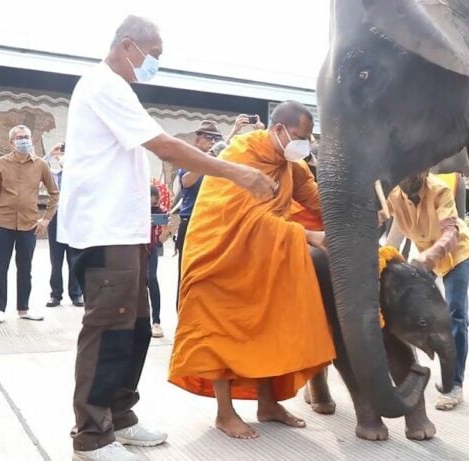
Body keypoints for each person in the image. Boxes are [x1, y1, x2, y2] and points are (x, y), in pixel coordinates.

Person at [57, 16, 275, 461]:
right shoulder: (104, 86)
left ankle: (119, 415)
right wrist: (238, 172)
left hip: (126, 229)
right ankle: (91, 434)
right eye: (153, 55)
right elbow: (166, 147)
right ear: (128, 46)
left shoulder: (119, 90)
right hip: (103, 229)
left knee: (134, 327)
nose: (155, 63)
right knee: (107, 328)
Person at [168, 101, 334, 440]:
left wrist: (357, 207)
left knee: (267, 328)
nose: (305, 144)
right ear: (279, 130)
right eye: (301, 136)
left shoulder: (290, 164)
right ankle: (224, 414)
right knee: (220, 334)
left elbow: (314, 197)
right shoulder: (240, 154)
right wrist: (311, 236)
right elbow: (248, 220)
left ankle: (267, 403)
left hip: (262, 260)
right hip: (219, 258)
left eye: (308, 138)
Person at [383, 171, 469, 411]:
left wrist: (431, 255)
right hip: (422, 256)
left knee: (455, 314)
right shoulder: (393, 194)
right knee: (404, 311)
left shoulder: (439, 190)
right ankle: (404, 369)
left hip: (453, 255)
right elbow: (391, 226)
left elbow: (451, 232)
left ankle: (453, 385)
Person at [0, 125, 58, 323]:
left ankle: (23, 309)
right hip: (3, 223)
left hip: (29, 224)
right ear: (11, 142)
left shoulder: (41, 165)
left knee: (25, 268)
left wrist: (46, 218)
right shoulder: (1, 163)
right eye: (19, 138)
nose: (23, 140)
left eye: (26, 137)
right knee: (1, 266)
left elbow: (54, 193)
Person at [173, 120, 223, 280]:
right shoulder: (189, 158)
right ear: (197, 139)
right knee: (187, 274)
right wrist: (207, 159)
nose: (212, 142)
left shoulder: (218, 161)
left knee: (209, 275)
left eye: (216, 139)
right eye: (209, 138)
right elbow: (186, 182)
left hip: (212, 223)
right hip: (191, 222)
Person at [43, 142, 83, 308]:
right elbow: (38, 168)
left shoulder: (78, 173)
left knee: (74, 258)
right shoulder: (54, 174)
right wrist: (50, 154)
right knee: (56, 259)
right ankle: (56, 294)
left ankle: (76, 294)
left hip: (74, 217)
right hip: (56, 217)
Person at [148, 185, 170, 338]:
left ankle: (156, 321)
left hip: (150, 249)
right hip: (133, 250)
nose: (153, 207)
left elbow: (162, 238)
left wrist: (165, 230)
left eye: (155, 204)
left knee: (152, 279)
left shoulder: (160, 211)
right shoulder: (134, 209)